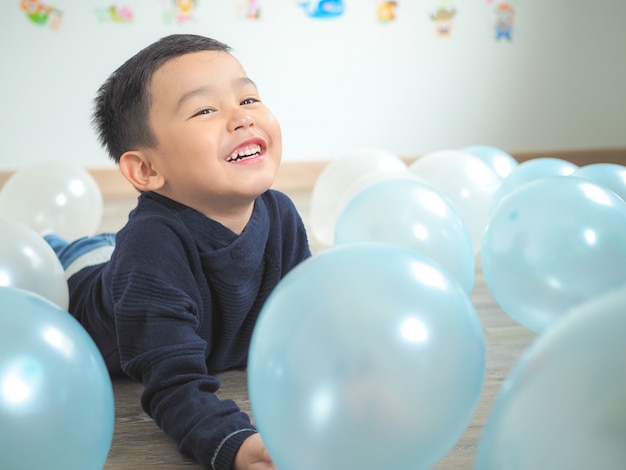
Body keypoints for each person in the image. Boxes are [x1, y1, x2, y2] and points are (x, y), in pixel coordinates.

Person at [45, 34, 311, 470]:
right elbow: (173, 385)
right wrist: (233, 442)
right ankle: (53, 243)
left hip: (130, 260)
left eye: (248, 98)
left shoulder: (279, 212)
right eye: (205, 110)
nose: (241, 119)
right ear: (146, 169)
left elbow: (304, 315)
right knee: (80, 256)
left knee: (120, 250)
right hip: (89, 279)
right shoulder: (151, 250)